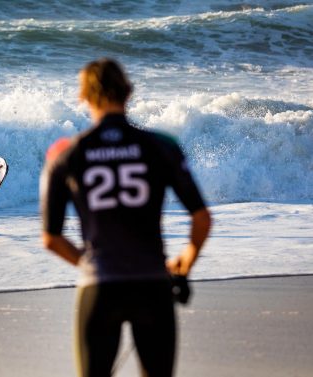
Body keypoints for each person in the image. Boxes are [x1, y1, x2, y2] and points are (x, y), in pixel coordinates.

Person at [40, 58, 212, 376]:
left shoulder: (65, 153)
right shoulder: (161, 146)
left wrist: (89, 262)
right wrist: (184, 264)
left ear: (84, 97)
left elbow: (50, 238)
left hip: (99, 287)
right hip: (152, 286)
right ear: (129, 92)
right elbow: (201, 218)